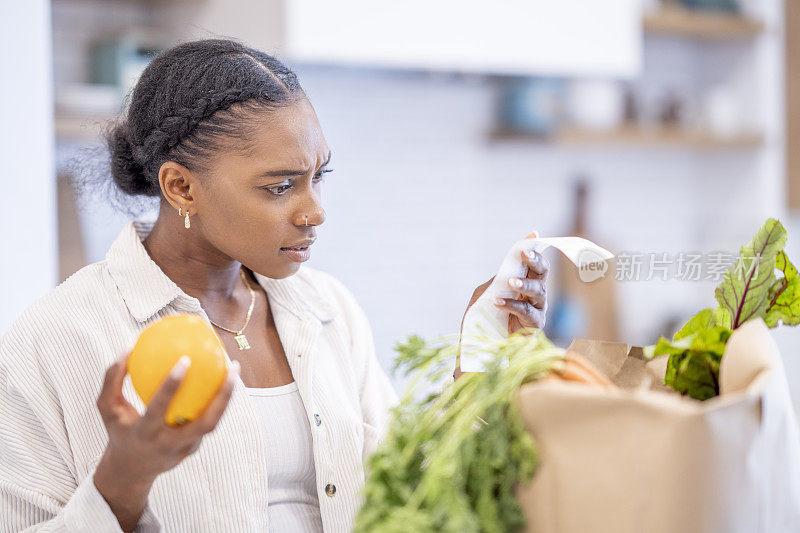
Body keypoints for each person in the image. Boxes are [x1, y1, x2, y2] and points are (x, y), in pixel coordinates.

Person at [0, 39, 549, 533]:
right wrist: (122, 482)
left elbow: (404, 497)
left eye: (318, 178)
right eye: (280, 186)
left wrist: (478, 360)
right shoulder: (54, 341)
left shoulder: (329, 309)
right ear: (181, 187)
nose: (314, 212)